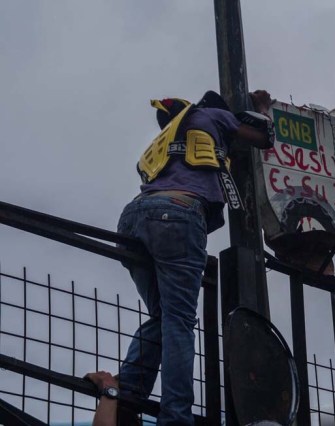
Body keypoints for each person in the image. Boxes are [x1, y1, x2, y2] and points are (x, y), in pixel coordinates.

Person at [88, 89, 274, 426]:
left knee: (162, 315)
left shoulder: (172, 134)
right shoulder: (211, 115)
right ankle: (175, 417)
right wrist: (263, 107)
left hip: (133, 218)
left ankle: (126, 393)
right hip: (179, 214)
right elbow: (263, 137)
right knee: (178, 321)